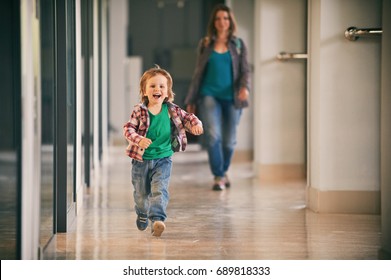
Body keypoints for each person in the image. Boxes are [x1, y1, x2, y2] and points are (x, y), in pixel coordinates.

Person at [123, 65, 203, 237]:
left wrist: (196, 124)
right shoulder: (139, 111)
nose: (157, 89)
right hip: (141, 159)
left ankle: (157, 219)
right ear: (144, 91)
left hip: (163, 158)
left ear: (167, 92)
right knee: (141, 194)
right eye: (152, 86)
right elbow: (128, 129)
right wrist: (139, 139)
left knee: (160, 189)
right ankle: (142, 213)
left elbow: (188, 117)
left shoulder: (171, 109)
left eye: (161, 86)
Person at [185, 4, 251, 191]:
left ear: (230, 22)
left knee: (229, 142)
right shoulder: (206, 44)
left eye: (226, 18)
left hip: (232, 97)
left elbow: (245, 70)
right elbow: (198, 73)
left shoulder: (238, 44)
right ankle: (218, 176)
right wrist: (191, 99)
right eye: (218, 18)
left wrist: (245, 87)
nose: (222, 22)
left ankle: (223, 171)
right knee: (214, 136)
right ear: (213, 22)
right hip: (209, 95)